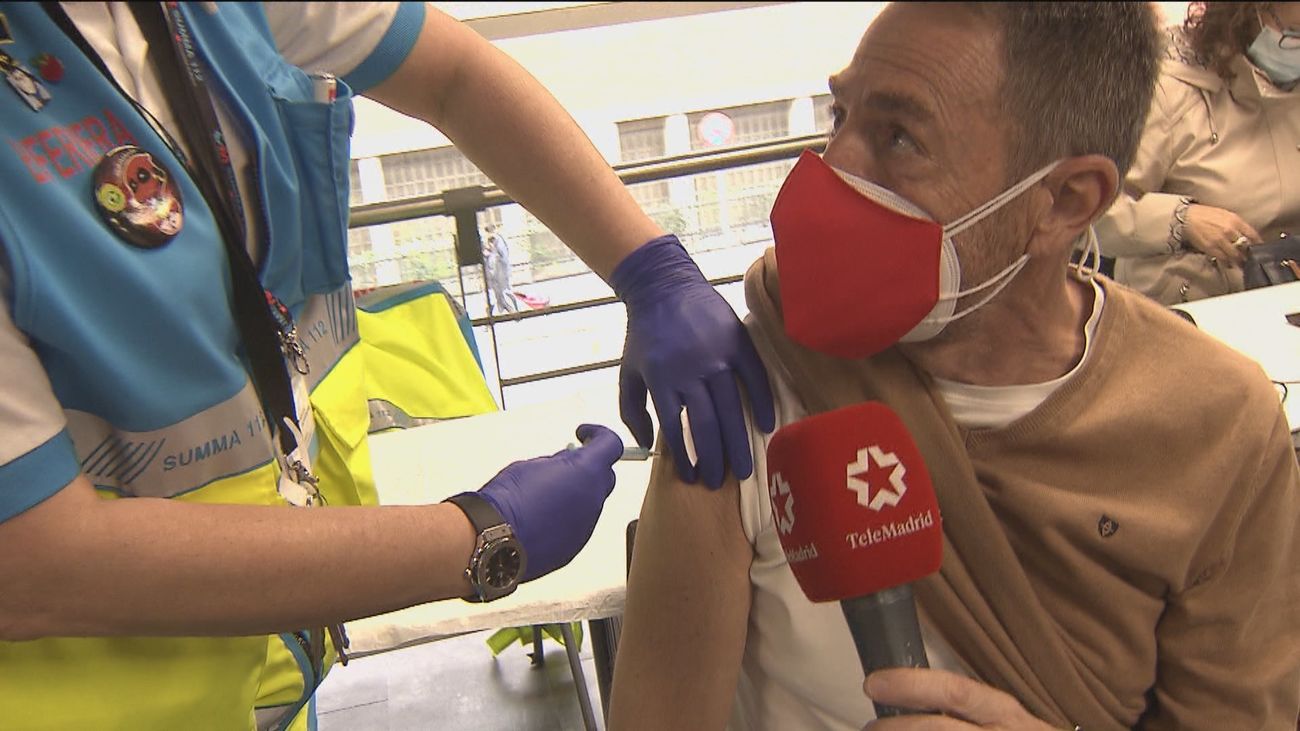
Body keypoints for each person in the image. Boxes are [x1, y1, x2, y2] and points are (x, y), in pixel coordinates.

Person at [0, 2, 772, 728]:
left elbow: (452, 75)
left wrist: (648, 267)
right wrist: (479, 535)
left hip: (259, 664)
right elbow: (37, 564)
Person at [609, 3, 1300, 730]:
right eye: (839, 114)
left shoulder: (1219, 427)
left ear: (1065, 200)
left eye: (899, 137)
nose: (829, 169)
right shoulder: (744, 388)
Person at [1095, 1, 1300, 305]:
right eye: (1293, 31)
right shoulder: (1165, 86)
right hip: (1188, 312)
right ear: (1247, 12)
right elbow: (1094, 214)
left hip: (1277, 306)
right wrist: (1183, 221)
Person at [482, 222, 519, 314]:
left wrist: (491, 253)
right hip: (494, 273)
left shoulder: (497, 240)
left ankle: (513, 309)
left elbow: (502, 256)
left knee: (505, 290)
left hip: (500, 271)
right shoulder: (491, 241)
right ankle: (507, 309)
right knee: (497, 293)